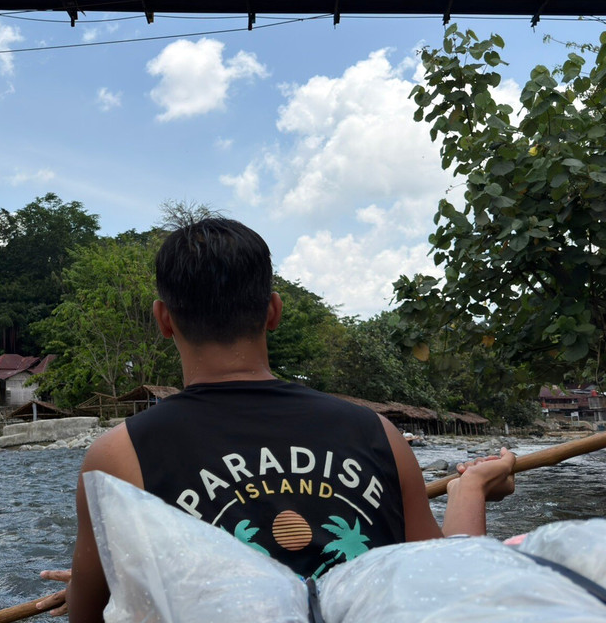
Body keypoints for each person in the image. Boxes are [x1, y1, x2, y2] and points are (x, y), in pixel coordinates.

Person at [37, 216, 515, 621]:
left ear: (163, 319)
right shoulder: (378, 434)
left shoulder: (118, 456)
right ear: (273, 311)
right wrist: (469, 489)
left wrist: (110, 582)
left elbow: (87, 617)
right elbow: (450, 588)